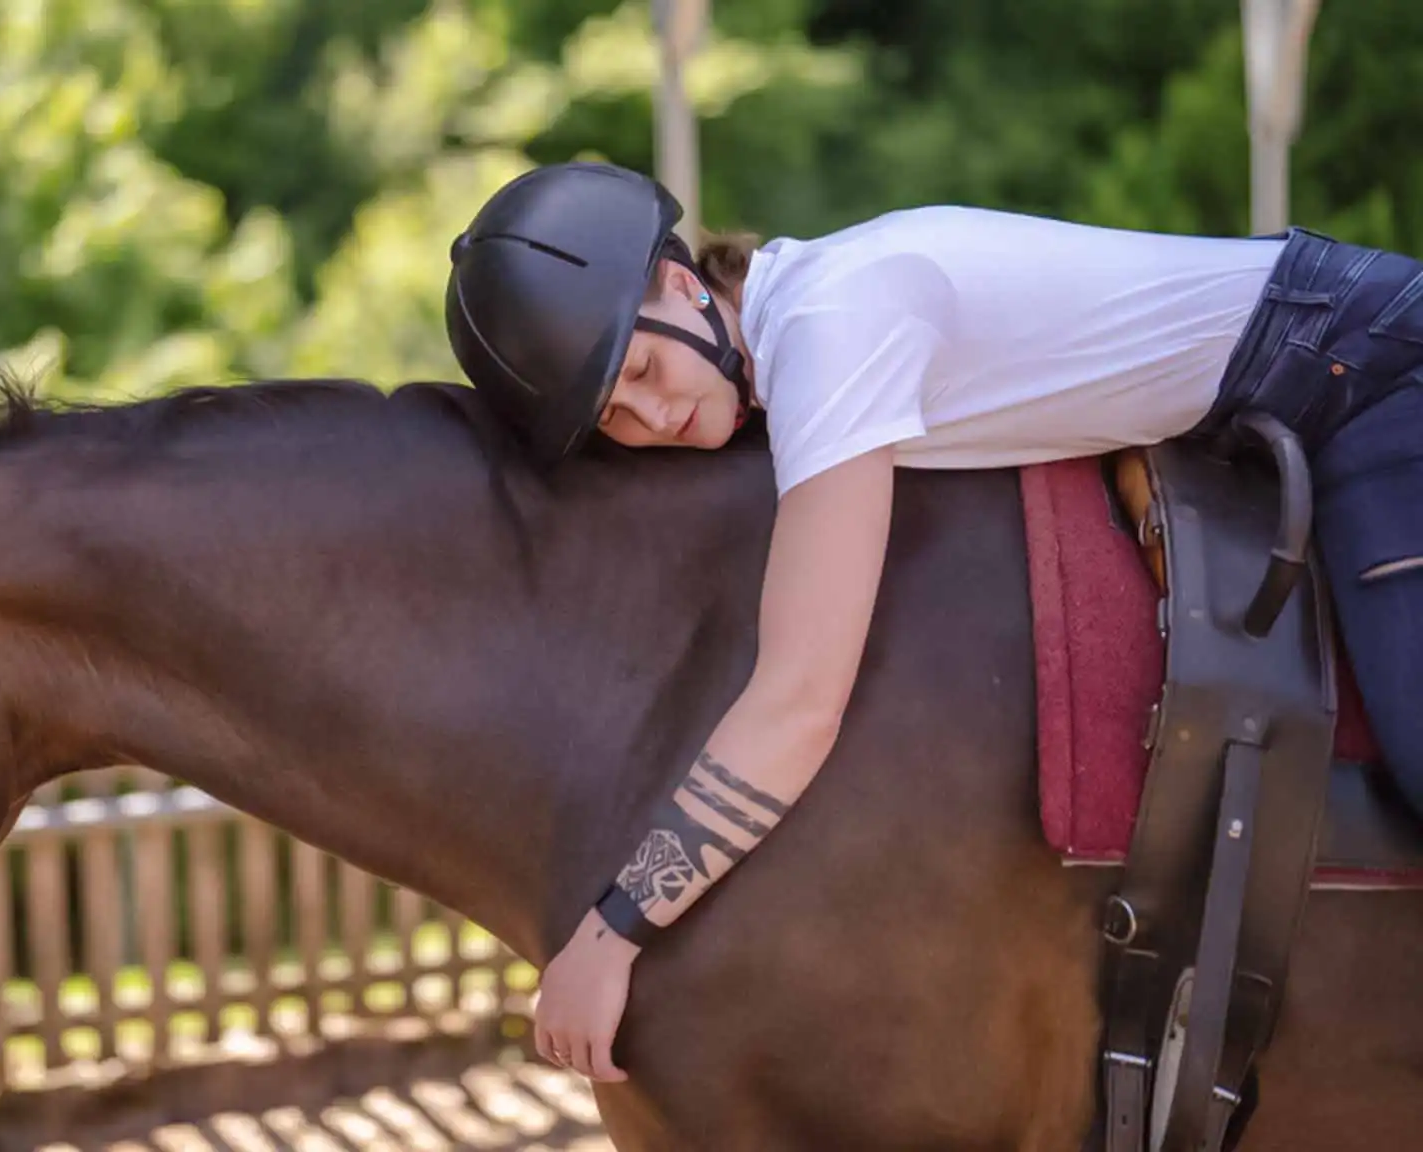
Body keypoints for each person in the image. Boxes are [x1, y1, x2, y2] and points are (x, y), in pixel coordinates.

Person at [443, 159, 1423, 1083]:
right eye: (614, 416)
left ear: (680, 285)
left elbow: (797, 702)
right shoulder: (804, 321)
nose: (652, 419)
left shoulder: (829, 328)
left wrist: (611, 933)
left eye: (643, 372)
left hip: (1369, 371)